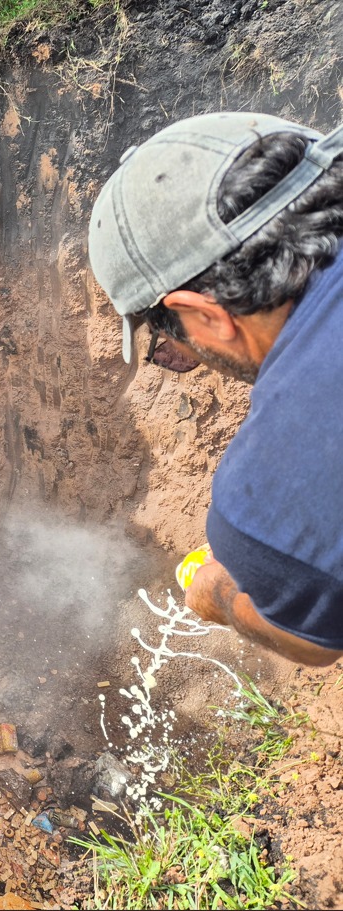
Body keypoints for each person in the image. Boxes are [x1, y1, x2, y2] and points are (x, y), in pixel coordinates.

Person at [88, 111, 343, 666]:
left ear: (206, 315)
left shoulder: (266, 507)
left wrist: (223, 595)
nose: (181, 357)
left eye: (167, 343)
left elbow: (314, 640)